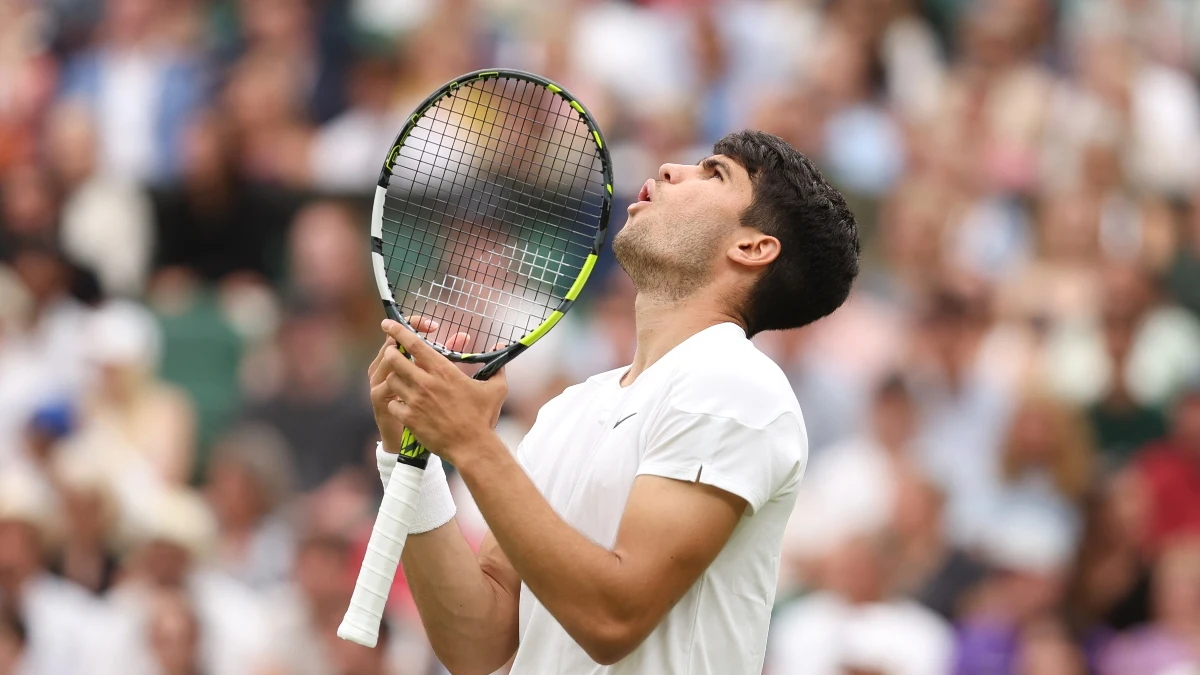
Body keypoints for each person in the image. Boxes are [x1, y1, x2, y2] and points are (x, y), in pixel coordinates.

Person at [367, 130, 859, 674]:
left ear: (752, 247)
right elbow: (477, 642)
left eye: (713, 173)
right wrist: (410, 452)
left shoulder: (735, 384)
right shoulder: (569, 409)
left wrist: (474, 443)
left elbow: (612, 619)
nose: (671, 168)